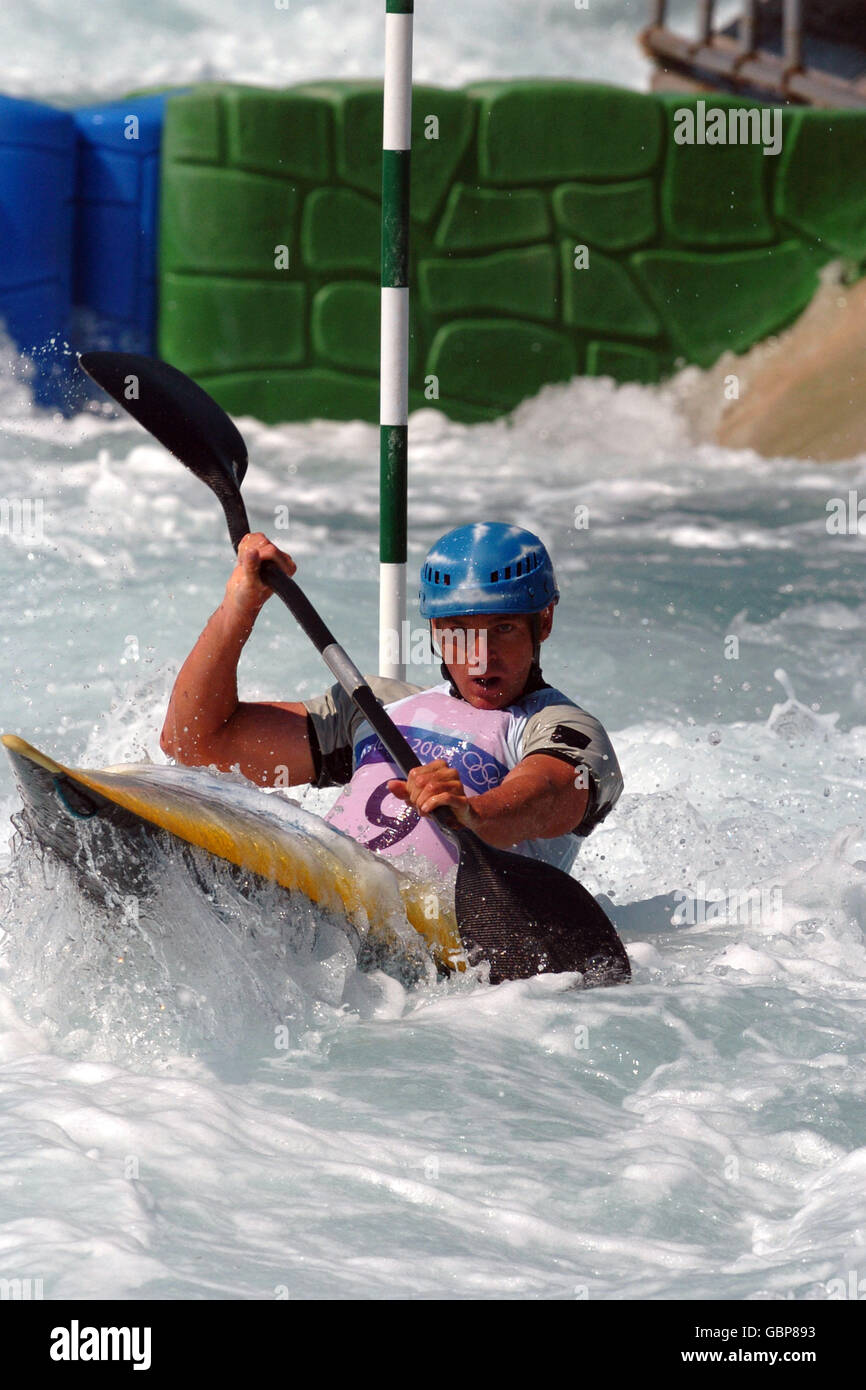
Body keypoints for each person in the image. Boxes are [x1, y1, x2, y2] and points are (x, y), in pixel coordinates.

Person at [160, 522, 623, 878]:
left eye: (501, 628)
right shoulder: (377, 707)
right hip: (331, 888)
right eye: (458, 632)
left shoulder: (565, 729)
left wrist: (473, 813)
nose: (480, 658)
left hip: (459, 965)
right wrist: (239, 608)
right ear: (434, 632)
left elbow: (545, 797)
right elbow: (195, 744)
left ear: (543, 622)